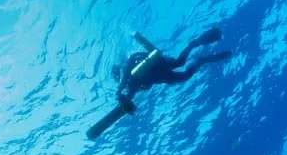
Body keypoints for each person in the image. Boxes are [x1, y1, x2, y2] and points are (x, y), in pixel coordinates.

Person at [87, 28, 232, 139]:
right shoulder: (130, 86)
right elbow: (129, 96)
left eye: (117, 75)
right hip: (161, 76)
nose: (118, 78)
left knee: (179, 62)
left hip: (157, 65)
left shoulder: (126, 70)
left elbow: (125, 75)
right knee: (185, 75)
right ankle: (201, 60)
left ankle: (194, 44)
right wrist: (125, 104)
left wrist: (119, 91)